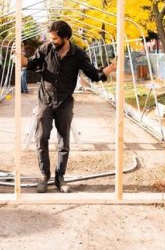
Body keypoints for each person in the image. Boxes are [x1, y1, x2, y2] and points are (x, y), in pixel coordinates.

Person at [20, 20, 116, 193]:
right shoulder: (46, 49)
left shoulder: (78, 54)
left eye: (55, 38)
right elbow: (31, 63)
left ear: (65, 37)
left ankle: (60, 177)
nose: (52, 41)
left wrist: (112, 67)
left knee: (64, 141)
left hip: (65, 102)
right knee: (41, 137)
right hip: (45, 100)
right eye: (51, 38)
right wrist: (21, 59)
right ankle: (44, 175)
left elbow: (94, 75)